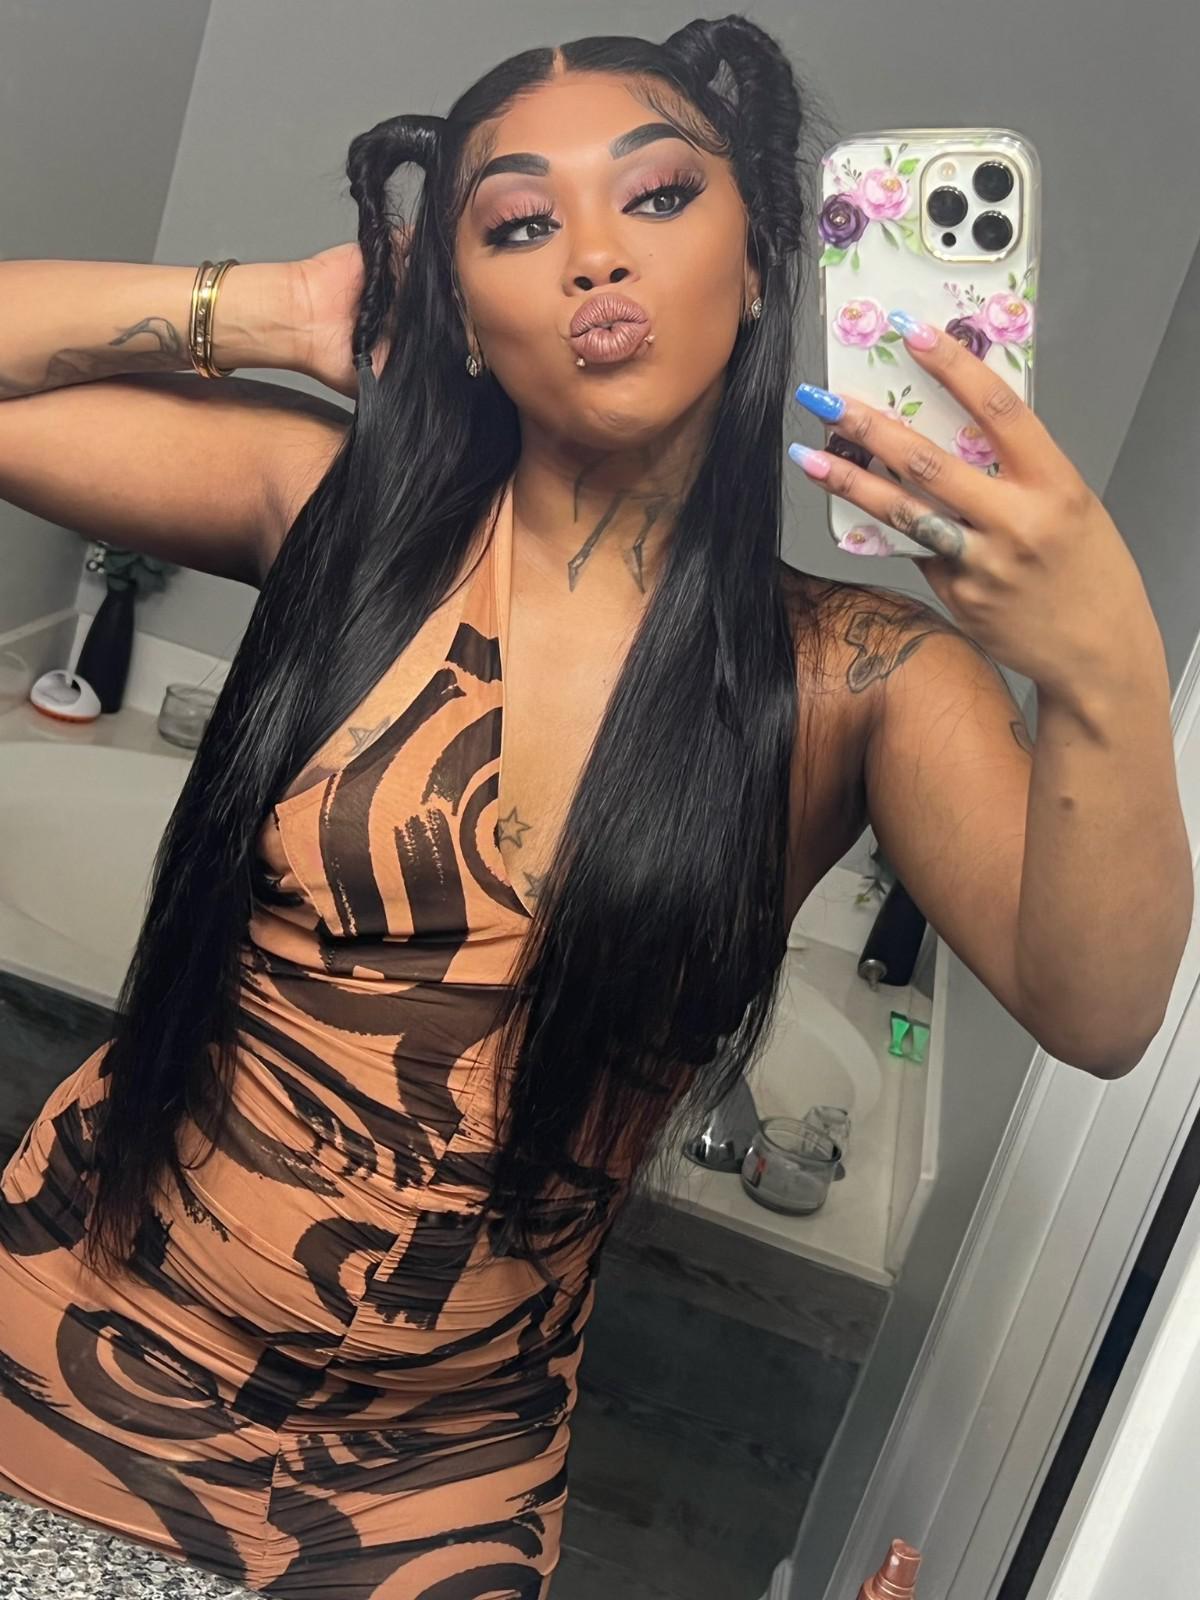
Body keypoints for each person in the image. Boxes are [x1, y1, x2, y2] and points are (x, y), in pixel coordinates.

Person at [0, 14, 1189, 1599]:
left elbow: (1103, 1013)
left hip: (433, 1494)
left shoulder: (862, 678)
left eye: (659, 195)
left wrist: (1104, 665)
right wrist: (277, 309)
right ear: (463, 312)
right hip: (73, 1346)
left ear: (759, 267)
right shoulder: (338, 516)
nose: (593, 255)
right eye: (517, 223)